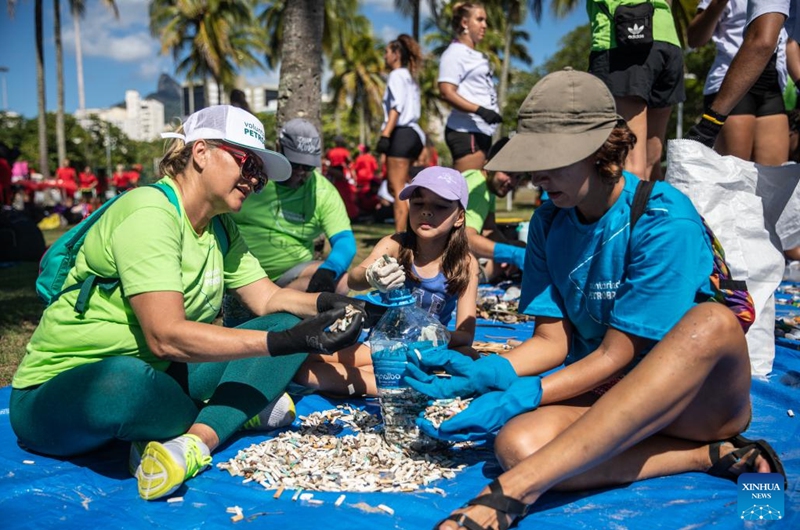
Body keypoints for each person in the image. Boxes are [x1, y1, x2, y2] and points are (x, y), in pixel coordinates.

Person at [405, 69, 785, 530]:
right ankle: (704, 457)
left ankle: (511, 494)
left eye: (552, 160)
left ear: (600, 151)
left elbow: (616, 353)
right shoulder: (549, 221)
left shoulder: (664, 217)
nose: (537, 175)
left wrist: (530, 391)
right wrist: (491, 373)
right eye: (533, 160)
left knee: (710, 320)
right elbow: (551, 342)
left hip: (698, 404)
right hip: (611, 395)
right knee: (515, 445)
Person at [8, 105, 368, 502]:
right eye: (248, 164)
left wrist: (328, 304)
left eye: (260, 175)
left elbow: (268, 297)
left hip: (159, 375)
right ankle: (234, 407)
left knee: (279, 322)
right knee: (124, 384)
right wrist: (288, 342)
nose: (254, 181)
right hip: (59, 396)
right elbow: (165, 336)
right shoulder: (150, 211)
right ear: (200, 152)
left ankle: (192, 441)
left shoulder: (220, 227)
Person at [294, 166, 480, 397]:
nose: (426, 212)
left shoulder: (465, 263)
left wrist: (428, 335)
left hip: (427, 350)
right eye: (418, 203)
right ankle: (404, 387)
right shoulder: (395, 245)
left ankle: (386, 383)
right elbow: (354, 279)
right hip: (381, 344)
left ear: (459, 217)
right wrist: (371, 275)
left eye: (440, 206)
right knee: (300, 363)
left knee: (469, 355)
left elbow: (465, 335)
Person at [228, 118, 356, 305]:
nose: (300, 172)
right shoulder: (252, 178)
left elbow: (345, 241)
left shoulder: (322, 191)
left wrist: (329, 270)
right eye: (294, 164)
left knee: (341, 280)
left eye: (308, 167)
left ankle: (282, 311)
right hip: (238, 272)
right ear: (279, 149)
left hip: (289, 277)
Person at [587, 0, 684, 180]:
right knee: (650, 165)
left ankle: (632, 208)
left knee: (631, 166)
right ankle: (651, 208)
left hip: (621, 39)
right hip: (666, 39)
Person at [688, 0, 789, 165]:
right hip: (732, 79)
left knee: (774, 180)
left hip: (772, 81)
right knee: (732, 178)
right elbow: (694, 39)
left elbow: (790, 43)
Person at [439, 3, 501, 173]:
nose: (485, 25)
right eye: (479, 19)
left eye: (485, 20)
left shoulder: (477, 55)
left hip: (481, 130)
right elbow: (446, 91)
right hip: (466, 130)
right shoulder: (455, 53)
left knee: (477, 190)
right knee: (465, 191)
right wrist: (480, 110)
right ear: (465, 23)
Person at [377, 34, 425, 232]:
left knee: (397, 191)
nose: (385, 56)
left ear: (396, 54)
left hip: (401, 133)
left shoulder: (396, 75)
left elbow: (395, 108)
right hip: (416, 135)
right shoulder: (410, 78)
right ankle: (414, 233)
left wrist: (385, 136)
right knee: (405, 187)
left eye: (387, 52)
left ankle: (400, 240)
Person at [464, 137, 527, 283]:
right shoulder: (478, 191)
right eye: (507, 173)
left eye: (517, 177)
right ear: (489, 165)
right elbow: (467, 239)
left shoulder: (483, 182)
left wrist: (509, 252)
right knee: (515, 251)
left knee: (518, 246)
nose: (512, 182)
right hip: (445, 265)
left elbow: (488, 229)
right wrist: (512, 255)